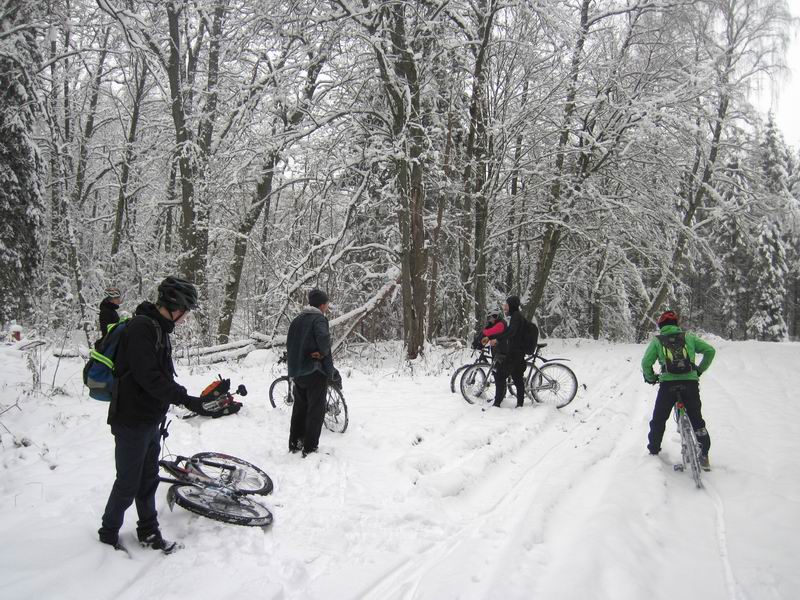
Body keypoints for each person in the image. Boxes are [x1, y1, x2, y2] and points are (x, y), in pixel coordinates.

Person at [98, 276, 216, 554]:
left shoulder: (159, 329)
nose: (185, 318)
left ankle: (149, 532)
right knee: (128, 483)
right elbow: (148, 377)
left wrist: (183, 397)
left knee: (148, 479)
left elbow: (160, 375)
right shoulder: (142, 329)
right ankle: (107, 535)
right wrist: (186, 399)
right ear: (175, 306)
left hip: (150, 419)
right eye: (185, 311)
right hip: (131, 420)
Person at [642, 310, 716, 469]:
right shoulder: (688, 337)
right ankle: (704, 455)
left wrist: (651, 378)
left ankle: (654, 451)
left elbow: (645, 363)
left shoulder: (657, 340)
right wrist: (699, 370)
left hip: (667, 386)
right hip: (690, 384)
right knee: (697, 419)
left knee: (659, 419)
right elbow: (710, 351)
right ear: (676, 324)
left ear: (661, 326)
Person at [286, 288, 334, 457]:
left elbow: (290, 344)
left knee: (300, 408)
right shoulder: (319, 319)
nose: (327, 307)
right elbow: (324, 343)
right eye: (327, 304)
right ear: (322, 305)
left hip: (297, 372)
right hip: (314, 371)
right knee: (315, 410)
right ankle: (310, 447)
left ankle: (294, 443)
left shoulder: (297, 320)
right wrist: (328, 365)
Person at [485, 295, 531, 408]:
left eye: (507, 304)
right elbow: (510, 332)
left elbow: (511, 333)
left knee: (500, 376)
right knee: (517, 378)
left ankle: (497, 404)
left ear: (512, 305)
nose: (505, 306)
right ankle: (520, 404)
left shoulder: (516, 317)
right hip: (518, 352)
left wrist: (497, 339)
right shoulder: (517, 316)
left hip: (515, 353)